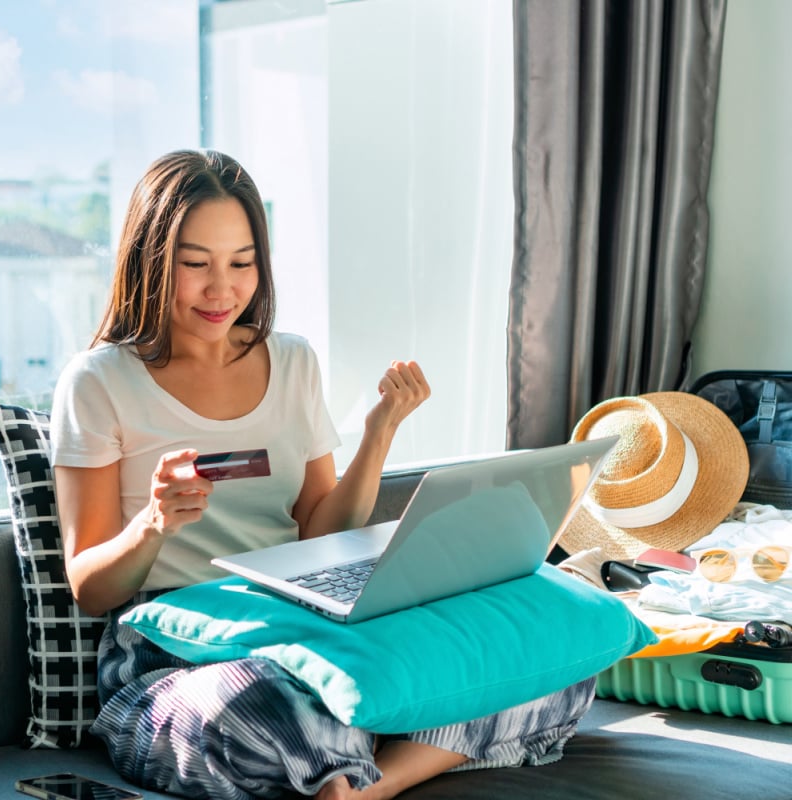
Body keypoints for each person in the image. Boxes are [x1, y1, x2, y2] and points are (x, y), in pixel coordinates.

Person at [50, 149, 595, 800]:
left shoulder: (292, 360)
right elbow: (90, 587)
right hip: (172, 650)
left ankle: (363, 783)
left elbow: (321, 529)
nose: (221, 289)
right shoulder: (99, 381)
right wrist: (153, 524)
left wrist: (379, 431)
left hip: (299, 625)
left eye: (242, 263)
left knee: (546, 650)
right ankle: (365, 748)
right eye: (195, 265)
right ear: (151, 260)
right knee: (257, 705)